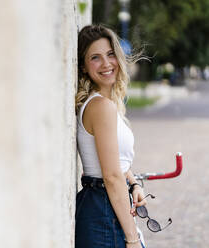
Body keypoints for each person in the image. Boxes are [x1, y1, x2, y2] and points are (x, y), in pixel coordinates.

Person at [75, 24, 146, 248]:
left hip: (105, 206)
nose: (106, 64)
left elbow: (118, 162)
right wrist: (132, 238)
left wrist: (134, 184)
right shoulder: (100, 107)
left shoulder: (107, 105)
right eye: (95, 57)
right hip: (103, 209)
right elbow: (112, 176)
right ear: (84, 67)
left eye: (110, 54)